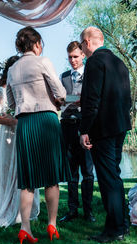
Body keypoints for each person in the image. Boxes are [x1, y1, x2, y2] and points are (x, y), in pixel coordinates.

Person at [6, 26, 71, 244]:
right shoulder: (43, 61)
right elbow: (61, 93)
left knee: (28, 181)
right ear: (37, 44)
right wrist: (57, 102)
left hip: (24, 123)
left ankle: (25, 229)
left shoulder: (12, 69)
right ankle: (52, 224)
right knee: (51, 178)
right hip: (46, 120)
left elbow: (11, 104)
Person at [79, 26, 132, 243]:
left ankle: (115, 229)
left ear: (88, 42)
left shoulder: (94, 62)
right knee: (114, 176)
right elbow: (127, 100)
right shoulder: (120, 63)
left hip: (103, 129)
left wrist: (84, 130)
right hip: (120, 126)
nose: (82, 49)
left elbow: (92, 100)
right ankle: (122, 224)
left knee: (107, 178)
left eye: (82, 44)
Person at [0, 56, 40, 228]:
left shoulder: (22, 90)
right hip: (10, 136)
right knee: (9, 170)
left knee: (24, 170)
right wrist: (17, 121)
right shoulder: (1, 91)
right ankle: (10, 208)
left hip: (24, 134)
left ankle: (26, 209)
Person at [59, 41, 95, 223]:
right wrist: (66, 100)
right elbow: (59, 99)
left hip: (85, 126)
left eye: (75, 56)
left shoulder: (91, 73)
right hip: (66, 125)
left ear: (82, 55)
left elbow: (93, 99)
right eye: (69, 57)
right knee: (71, 172)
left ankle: (88, 211)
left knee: (87, 171)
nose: (72, 60)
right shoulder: (63, 76)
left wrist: (80, 101)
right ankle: (72, 210)